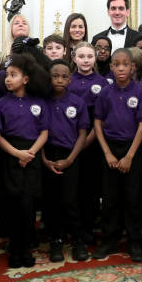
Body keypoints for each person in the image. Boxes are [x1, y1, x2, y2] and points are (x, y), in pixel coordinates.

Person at [93, 48, 142, 262]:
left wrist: (129, 156)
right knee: (110, 197)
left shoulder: (140, 92)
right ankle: (109, 239)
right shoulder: (105, 93)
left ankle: (134, 241)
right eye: (116, 64)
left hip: (132, 149)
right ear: (111, 67)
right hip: (110, 149)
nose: (121, 68)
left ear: (133, 67)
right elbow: (97, 122)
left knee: (132, 197)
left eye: (125, 64)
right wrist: (107, 153)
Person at [0, 53, 50, 268]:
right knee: (11, 205)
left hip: (31, 158)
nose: (8, 79)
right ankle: (15, 249)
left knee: (27, 205)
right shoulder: (0, 104)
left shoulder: (38, 103)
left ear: (26, 79)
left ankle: (25, 247)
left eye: (13, 75)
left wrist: (30, 154)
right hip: (9, 158)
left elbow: (44, 133)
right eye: (7, 75)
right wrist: (17, 154)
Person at [42, 59, 89, 262]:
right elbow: (38, 133)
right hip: (48, 156)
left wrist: (70, 159)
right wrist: (44, 159)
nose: (59, 80)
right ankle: (56, 240)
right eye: (55, 76)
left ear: (70, 79)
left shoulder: (77, 102)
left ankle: (78, 240)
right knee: (52, 201)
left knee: (71, 200)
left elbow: (82, 133)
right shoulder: (42, 101)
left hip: (70, 155)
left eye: (64, 76)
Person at [68, 42, 109, 244]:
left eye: (89, 56)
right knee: (72, 186)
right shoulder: (67, 81)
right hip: (69, 138)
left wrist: (86, 141)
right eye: (81, 56)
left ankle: (89, 227)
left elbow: (101, 118)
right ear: (74, 58)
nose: (85, 60)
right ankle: (73, 228)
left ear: (95, 58)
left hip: (92, 140)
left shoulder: (103, 83)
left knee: (90, 186)